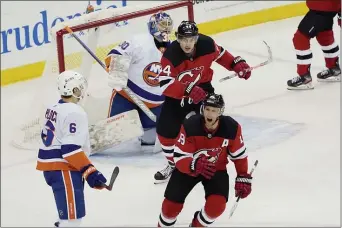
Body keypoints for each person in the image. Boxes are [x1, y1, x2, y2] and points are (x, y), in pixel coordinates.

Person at [154, 20, 252, 183]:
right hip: (179, 93)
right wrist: (188, 90)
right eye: (184, 39)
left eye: (191, 39)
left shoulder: (207, 45)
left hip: (203, 88)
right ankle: (174, 165)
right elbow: (165, 84)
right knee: (165, 130)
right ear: (177, 38)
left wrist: (236, 64)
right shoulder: (171, 55)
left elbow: (221, 55)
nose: (187, 43)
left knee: (211, 124)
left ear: (197, 38)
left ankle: (214, 161)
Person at [157, 93, 252, 227]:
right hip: (189, 170)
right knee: (169, 209)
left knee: (216, 206)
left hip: (216, 170)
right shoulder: (190, 125)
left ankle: (197, 225)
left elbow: (239, 156)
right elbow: (179, 157)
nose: (210, 114)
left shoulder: (232, 128)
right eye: (207, 109)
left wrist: (242, 175)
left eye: (214, 110)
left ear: (220, 112)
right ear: (202, 109)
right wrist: (193, 165)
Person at [36, 70, 107, 227]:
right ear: (74, 90)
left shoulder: (53, 107)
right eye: (80, 88)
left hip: (51, 168)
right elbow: (69, 149)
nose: (82, 92)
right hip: (64, 168)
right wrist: (90, 172)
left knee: (65, 214)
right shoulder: (75, 112)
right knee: (73, 219)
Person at [104, 11, 173, 147]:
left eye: (167, 26)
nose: (165, 29)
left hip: (155, 104)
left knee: (150, 143)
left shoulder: (174, 50)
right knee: (115, 139)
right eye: (161, 25)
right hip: (126, 96)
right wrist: (118, 71)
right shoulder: (138, 41)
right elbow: (114, 55)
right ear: (153, 26)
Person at [287, 0, 341, 90]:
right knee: (324, 37)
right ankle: (334, 69)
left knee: (300, 38)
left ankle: (304, 77)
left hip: (322, 9)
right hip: (324, 8)